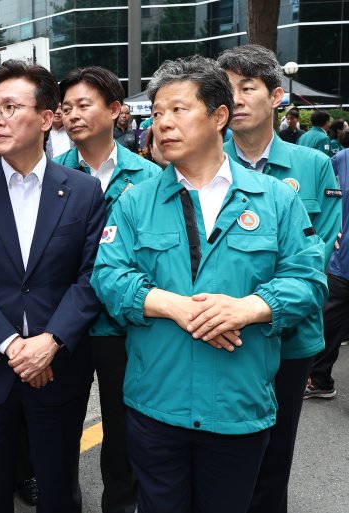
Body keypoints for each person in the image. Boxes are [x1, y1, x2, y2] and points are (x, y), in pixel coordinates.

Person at [91, 55, 326, 513]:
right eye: (157, 113)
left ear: (219, 116)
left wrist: (251, 308)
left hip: (238, 407)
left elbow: (309, 278)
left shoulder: (275, 199)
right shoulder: (135, 201)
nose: (163, 123)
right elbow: (108, 275)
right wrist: (171, 305)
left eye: (179, 110)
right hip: (157, 404)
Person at [0, 59, 106, 513]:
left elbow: (92, 276)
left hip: (59, 370)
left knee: (57, 490)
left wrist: (51, 342)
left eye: (10, 107)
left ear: (47, 118)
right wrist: (14, 345)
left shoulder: (83, 190)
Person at [217, 44, 342, 513]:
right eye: (229, 90)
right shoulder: (203, 164)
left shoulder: (312, 166)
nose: (238, 100)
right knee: (222, 457)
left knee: (274, 459)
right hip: (221, 338)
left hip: (288, 339)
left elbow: (316, 255)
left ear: (276, 97)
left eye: (248, 88)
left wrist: (256, 307)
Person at [53, 65, 161, 513]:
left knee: (122, 431)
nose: (73, 115)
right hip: (62, 328)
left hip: (122, 329)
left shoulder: (149, 178)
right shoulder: (47, 174)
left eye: (84, 105)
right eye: (66, 108)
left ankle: (120, 504)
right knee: (58, 431)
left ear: (115, 111)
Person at [308, 146, 349, 400]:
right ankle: (320, 380)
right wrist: (328, 229)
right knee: (328, 324)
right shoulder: (342, 159)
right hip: (343, 262)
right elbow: (323, 197)